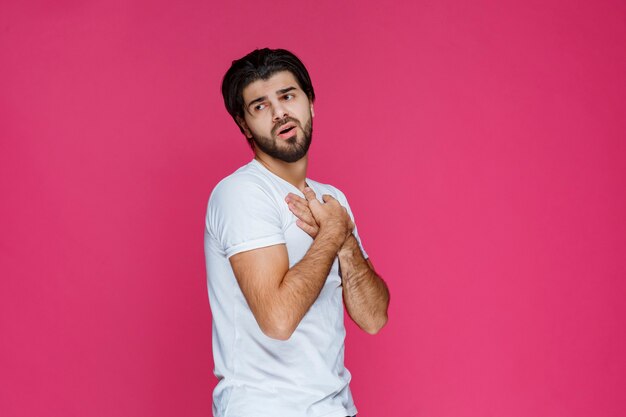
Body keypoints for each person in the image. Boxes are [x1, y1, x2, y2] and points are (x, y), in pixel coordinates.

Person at [204, 48, 390, 417]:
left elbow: (374, 319)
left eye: (287, 96)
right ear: (244, 125)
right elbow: (277, 320)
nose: (279, 113)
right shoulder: (241, 193)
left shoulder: (331, 200)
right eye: (260, 106)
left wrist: (345, 240)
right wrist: (330, 235)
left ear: (311, 103)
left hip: (337, 407)